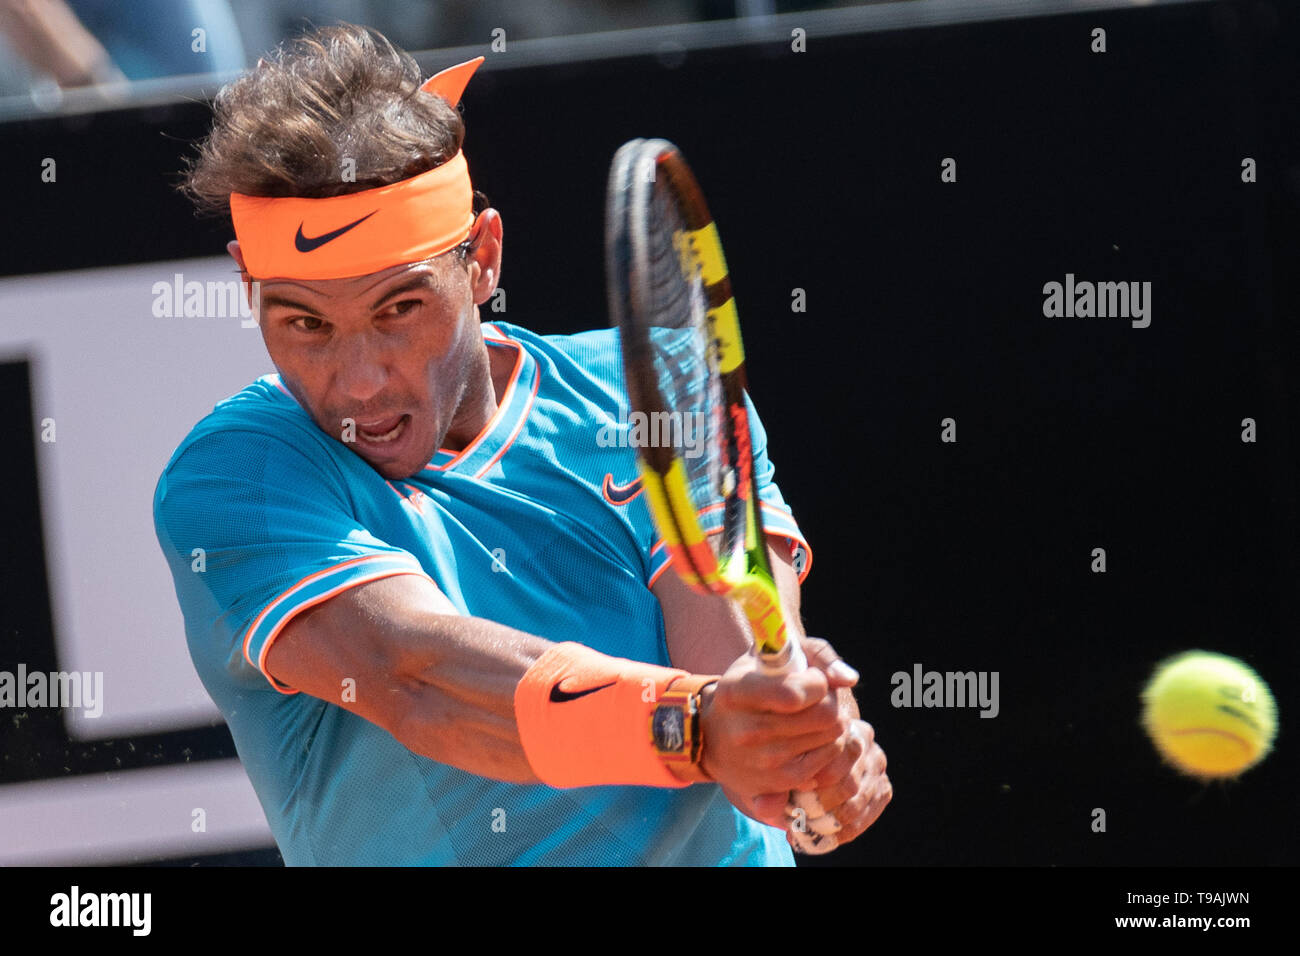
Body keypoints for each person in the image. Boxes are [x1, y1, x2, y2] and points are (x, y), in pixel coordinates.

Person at [154, 23, 891, 865]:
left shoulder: (651, 388)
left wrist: (782, 734)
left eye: (400, 309)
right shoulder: (235, 478)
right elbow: (415, 677)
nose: (359, 381)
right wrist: (695, 727)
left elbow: (727, 648)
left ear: (482, 259)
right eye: (304, 324)